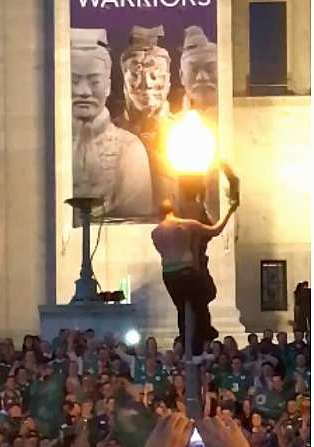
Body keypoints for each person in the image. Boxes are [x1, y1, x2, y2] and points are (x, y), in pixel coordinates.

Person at [70, 28, 152, 218]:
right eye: (73, 81)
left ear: (107, 86)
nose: (84, 91)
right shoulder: (46, 148)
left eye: (94, 82)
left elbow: (136, 216)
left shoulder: (130, 148)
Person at [151, 198, 237, 357]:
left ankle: (186, 344)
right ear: (173, 210)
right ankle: (203, 341)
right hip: (186, 271)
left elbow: (162, 252)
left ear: (159, 213)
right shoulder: (186, 224)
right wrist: (229, 212)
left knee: (182, 310)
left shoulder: (156, 232)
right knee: (201, 303)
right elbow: (215, 230)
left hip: (169, 274)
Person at [114, 25, 173, 205]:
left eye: (155, 75)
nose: (146, 84)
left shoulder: (188, 132)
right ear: (124, 81)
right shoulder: (112, 130)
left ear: (168, 81)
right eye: (136, 74)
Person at [179, 26, 218, 114]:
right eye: (194, 70)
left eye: (210, 69)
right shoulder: (171, 125)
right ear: (182, 76)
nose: (202, 77)